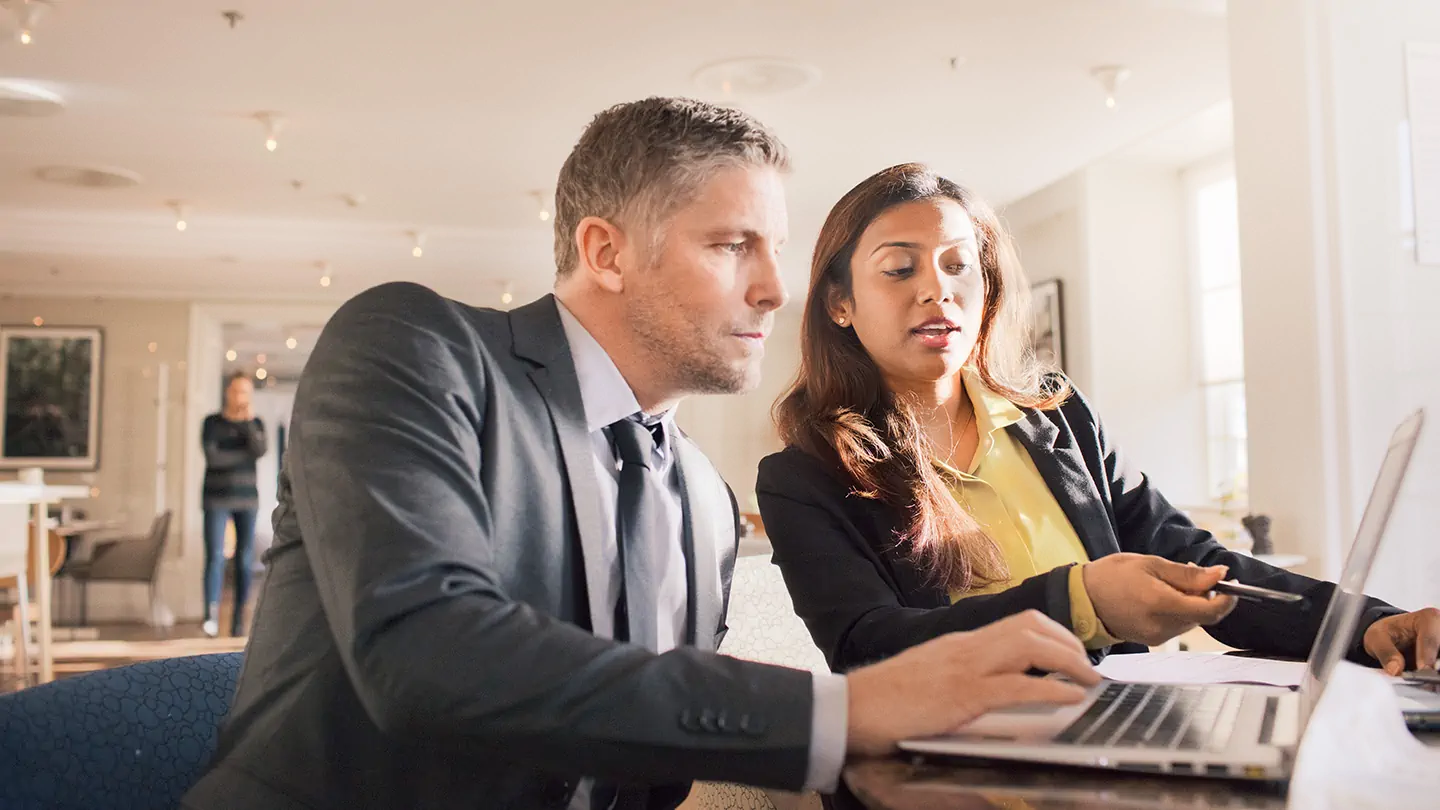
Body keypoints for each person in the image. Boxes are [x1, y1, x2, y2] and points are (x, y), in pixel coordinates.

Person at [182, 101, 1101, 810]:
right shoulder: (413, 347)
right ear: (605, 251)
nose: (778, 288)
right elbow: (428, 654)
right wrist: (844, 715)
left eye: (775, 250)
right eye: (734, 244)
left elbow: (645, 749)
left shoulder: (704, 499)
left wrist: (856, 767)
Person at [757, 162, 1440, 680]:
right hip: (942, 771)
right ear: (840, 302)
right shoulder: (803, 477)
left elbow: (1200, 565)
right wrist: (1079, 599)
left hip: (1113, 746)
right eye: (899, 269)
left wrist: (1368, 624)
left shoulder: (1057, 415)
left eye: (960, 266)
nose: (936, 288)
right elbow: (870, 647)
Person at [200, 371, 267, 638]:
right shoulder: (211, 423)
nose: (241, 396)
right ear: (228, 391)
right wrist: (243, 456)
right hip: (215, 499)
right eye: (237, 391)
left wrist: (248, 425)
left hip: (247, 500)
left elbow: (260, 451)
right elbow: (212, 459)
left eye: (246, 392)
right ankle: (210, 616)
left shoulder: (256, 423)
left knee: (244, 559)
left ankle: (239, 619)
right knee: (215, 557)